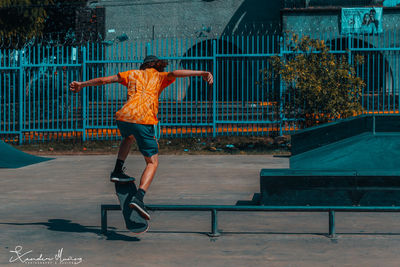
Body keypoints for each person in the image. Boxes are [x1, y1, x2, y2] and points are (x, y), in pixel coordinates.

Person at [69, 55, 213, 220]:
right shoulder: (160, 76)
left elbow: (103, 80)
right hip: (143, 120)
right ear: (157, 66)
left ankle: (117, 170)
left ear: (143, 66)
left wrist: (82, 84)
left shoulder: (131, 74)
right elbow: (175, 72)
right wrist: (201, 72)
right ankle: (139, 198)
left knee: (128, 137)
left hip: (123, 117)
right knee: (152, 162)